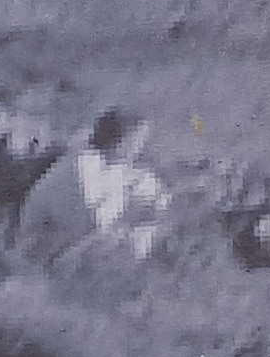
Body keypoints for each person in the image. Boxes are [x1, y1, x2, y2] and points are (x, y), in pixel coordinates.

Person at [12, 109, 171, 262]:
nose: (140, 148)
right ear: (121, 142)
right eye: (137, 141)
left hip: (67, 245)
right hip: (44, 253)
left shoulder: (109, 163)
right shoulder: (83, 168)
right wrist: (131, 211)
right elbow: (91, 223)